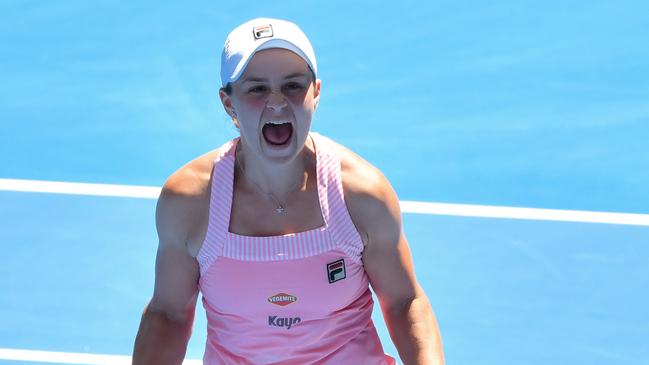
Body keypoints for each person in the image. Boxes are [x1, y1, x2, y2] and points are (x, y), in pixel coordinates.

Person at [132, 18, 444, 365]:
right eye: (257, 89)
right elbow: (169, 316)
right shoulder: (190, 202)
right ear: (228, 103)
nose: (278, 102)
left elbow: (405, 303)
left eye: (293, 86)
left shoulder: (362, 195)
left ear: (316, 92)